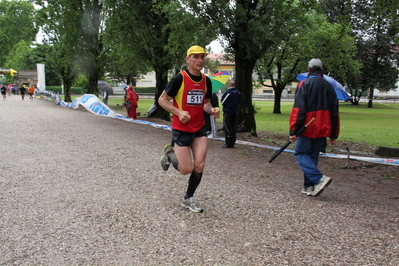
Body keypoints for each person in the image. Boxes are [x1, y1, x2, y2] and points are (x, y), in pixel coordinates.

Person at [158, 45, 220, 213]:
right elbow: (162, 100)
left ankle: (188, 198)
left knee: (199, 165)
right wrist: (178, 112)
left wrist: (212, 110)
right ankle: (169, 155)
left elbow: (205, 103)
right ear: (188, 59)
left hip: (199, 128)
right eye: (195, 57)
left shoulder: (206, 80)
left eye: (202, 57)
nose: (199, 60)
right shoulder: (180, 78)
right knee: (186, 170)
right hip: (182, 129)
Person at [289, 58, 340, 197]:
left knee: (300, 154)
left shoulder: (304, 84)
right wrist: (334, 134)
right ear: (322, 70)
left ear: (309, 70)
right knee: (312, 156)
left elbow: (298, 109)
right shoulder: (330, 87)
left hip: (308, 126)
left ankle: (318, 179)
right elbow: (335, 112)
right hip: (323, 126)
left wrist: (294, 130)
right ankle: (309, 186)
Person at [221, 80, 241, 148]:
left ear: (228, 85)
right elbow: (239, 101)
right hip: (235, 111)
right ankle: (233, 141)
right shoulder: (238, 92)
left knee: (227, 127)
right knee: (233, 127)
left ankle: (229, 143)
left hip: (228, 111)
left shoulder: (228, 92)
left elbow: (223, 101)